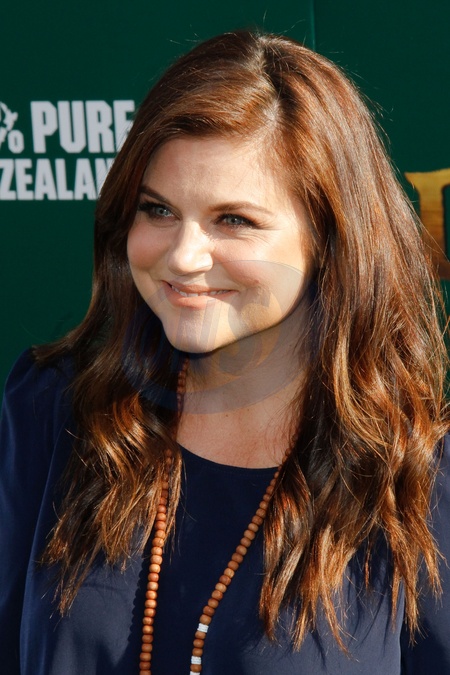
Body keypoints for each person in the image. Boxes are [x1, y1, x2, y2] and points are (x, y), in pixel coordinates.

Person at [1, 30, 449, 675]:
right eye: (158, 210)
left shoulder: (418, 478)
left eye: (233, 220)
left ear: (331, 238)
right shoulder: (54, 412)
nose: (184, 256)